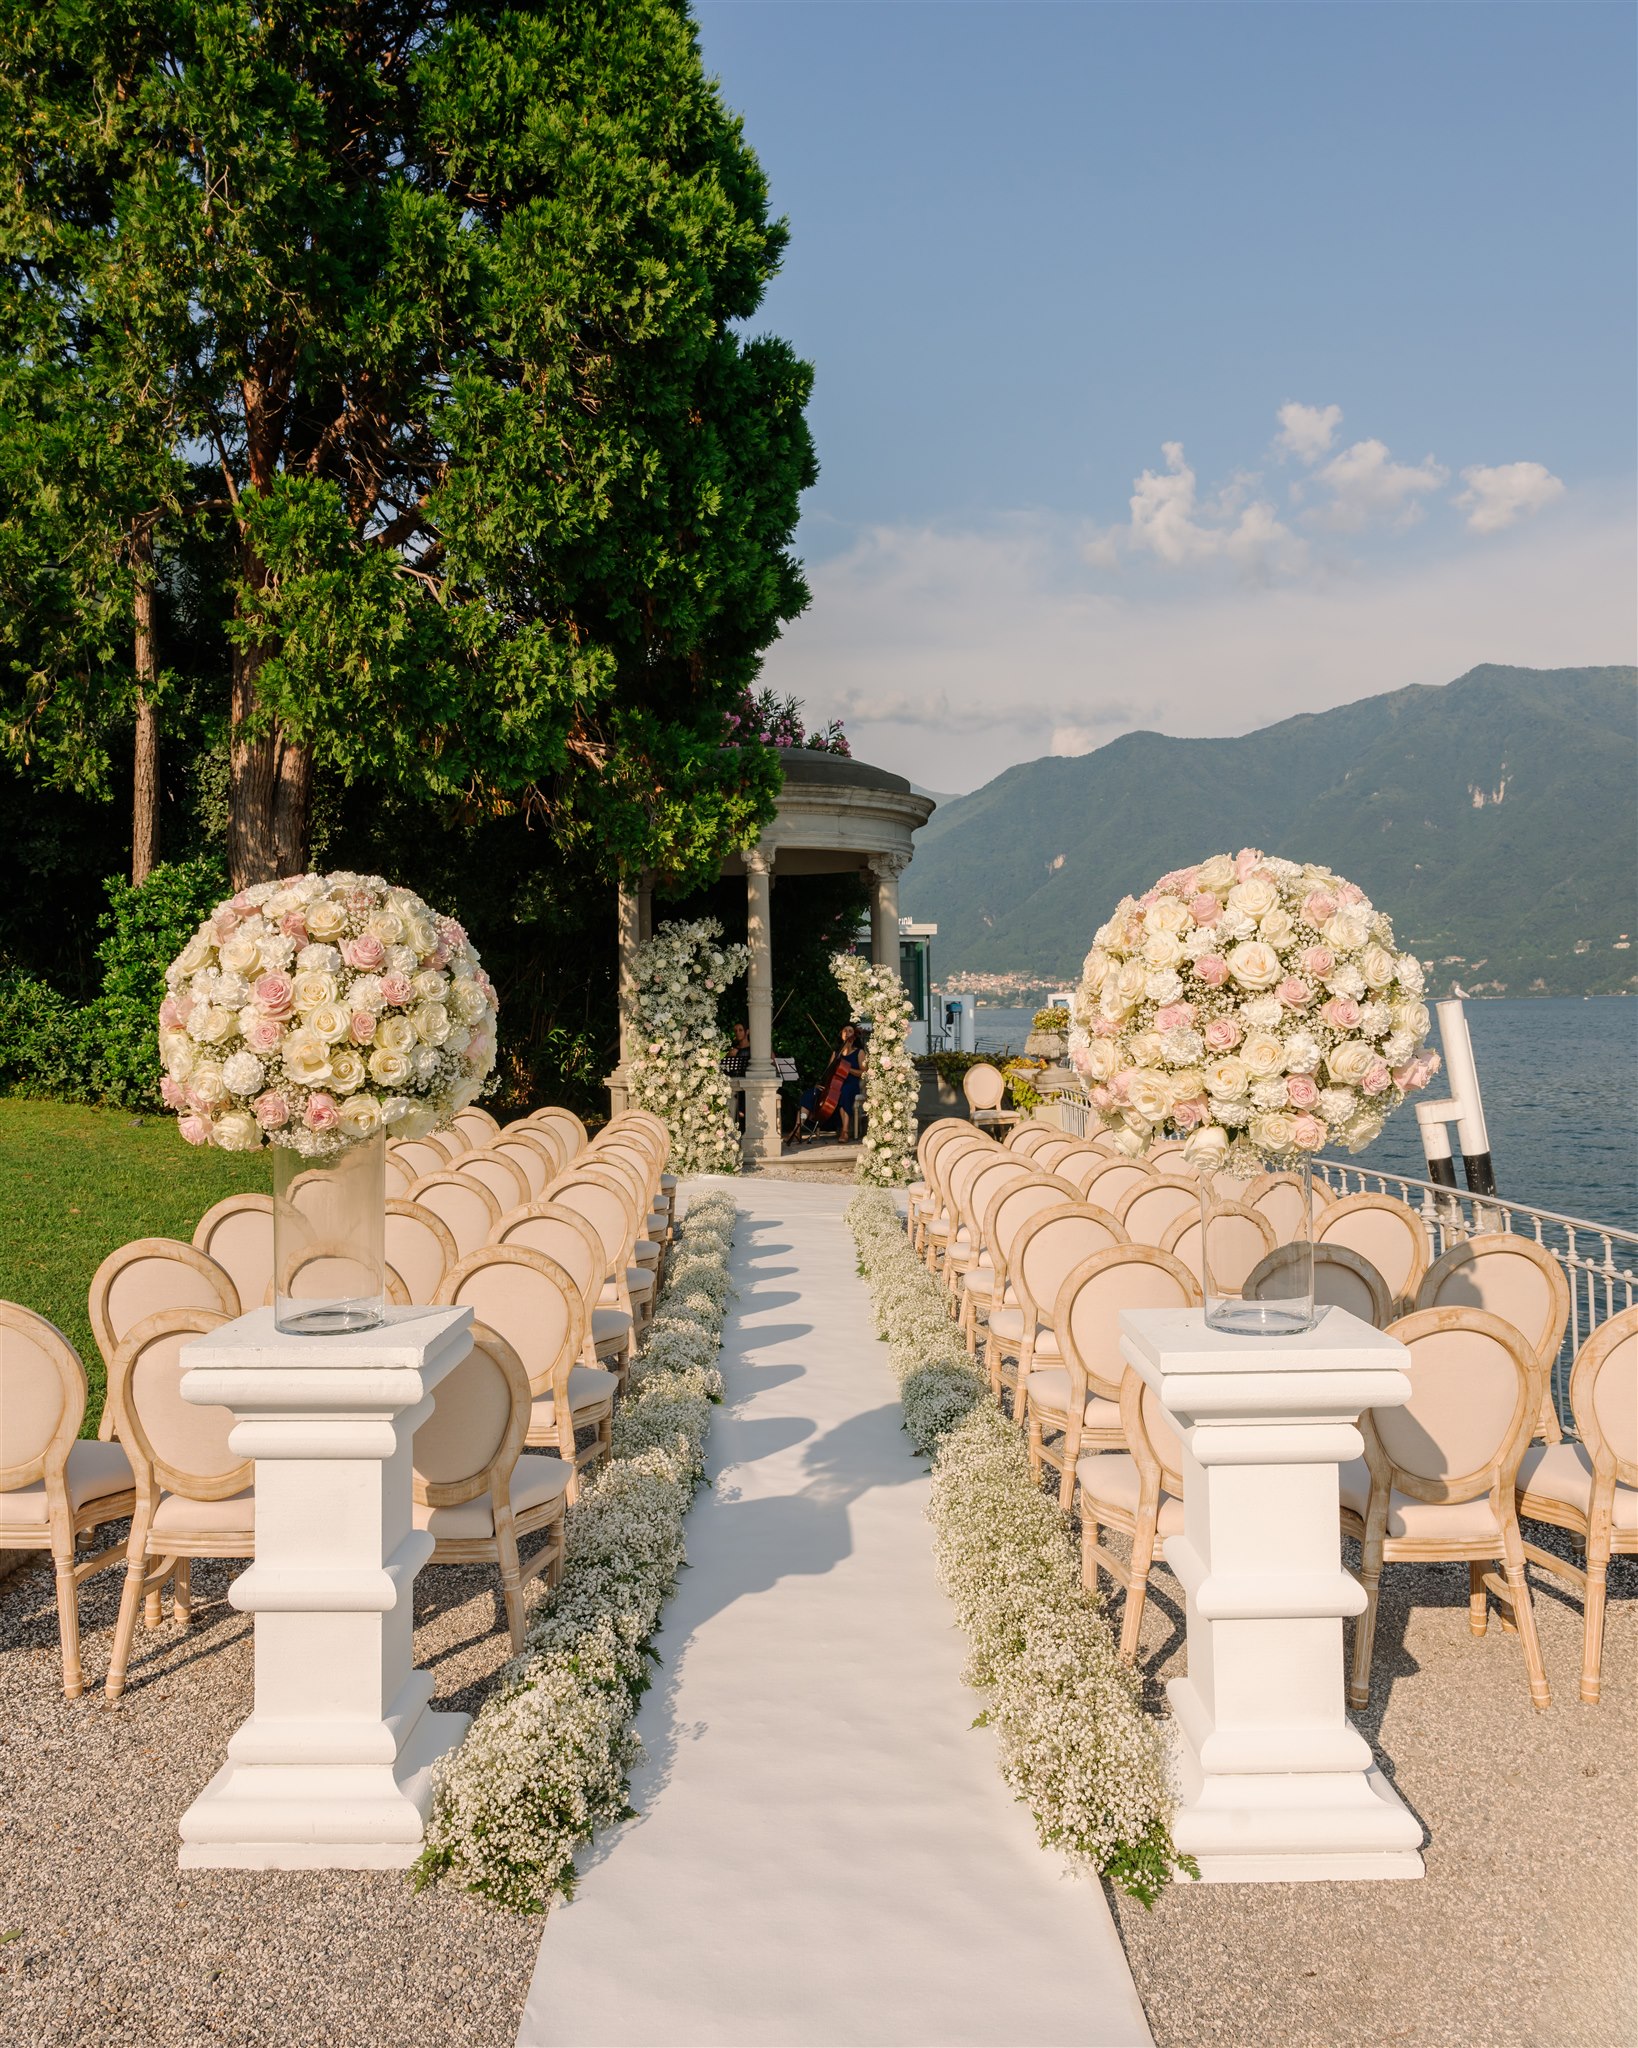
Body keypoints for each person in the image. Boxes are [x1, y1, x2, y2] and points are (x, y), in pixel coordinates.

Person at [787, 1023, 863, 1145]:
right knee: (809, 1094)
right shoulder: (836, 1053)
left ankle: (845, 1130)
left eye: (850, 1031)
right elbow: (829, 1072)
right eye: (845, 1031)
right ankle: (797, 1129)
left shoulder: (859, 1052)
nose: (847, 1033)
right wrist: (822, 1084)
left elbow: (863, 1073)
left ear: (854, 1035)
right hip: (834, 1084)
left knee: (844, 1092)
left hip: (850, 1084)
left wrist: (847, 1068)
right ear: (841, 1034)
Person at [724, 1022, 751, 1131]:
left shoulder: (755, 1048)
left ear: (747, 1032)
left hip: (749, 1082)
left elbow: (772, 1059)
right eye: (735, 1030)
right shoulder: (733, 1050)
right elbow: (726, 1067)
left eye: (740, 1030)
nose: (738, 1033)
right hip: (737, 1082)